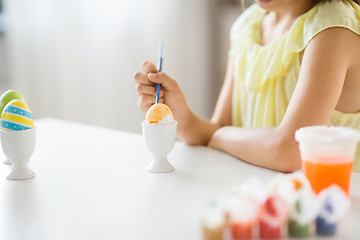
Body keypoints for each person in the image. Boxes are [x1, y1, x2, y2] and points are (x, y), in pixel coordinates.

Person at [134, 0, 360, 173]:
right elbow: (216, 128)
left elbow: (289, 151)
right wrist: (182, 115)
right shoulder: (247, 26)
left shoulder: (333, 29)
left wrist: (218, 136)